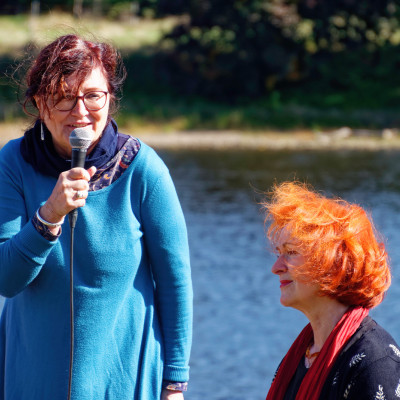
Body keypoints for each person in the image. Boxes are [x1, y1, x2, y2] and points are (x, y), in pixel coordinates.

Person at [0, 34, 192, 400]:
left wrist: (175, 383)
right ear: (41, 103)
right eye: (63, 97)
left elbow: (175, 281)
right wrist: (48, 216)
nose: (80, 111)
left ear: (110, 98)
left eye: (92, 95)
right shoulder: (12, 163)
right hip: (30, 379)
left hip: (123, 380)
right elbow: (6, 279)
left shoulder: (143, 168)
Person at [263, 181, 400, 400]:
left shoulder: (375, 361)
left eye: (291, 252)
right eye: (279, 252)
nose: (276, 267)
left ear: (333, 263)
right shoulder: (302, 355)